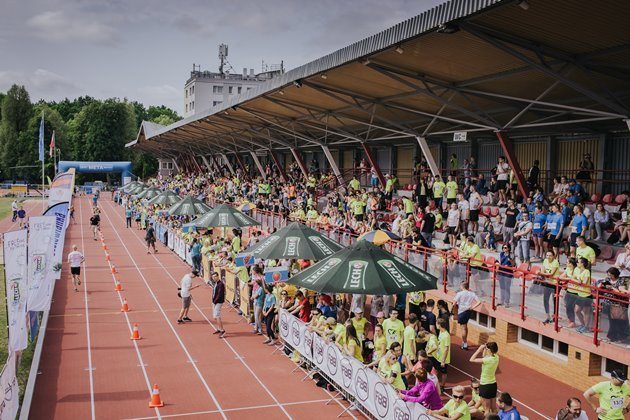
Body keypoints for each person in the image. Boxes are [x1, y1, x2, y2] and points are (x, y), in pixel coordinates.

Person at [470, 342, 500, 414]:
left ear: (489, 350)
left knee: (486, 410)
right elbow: (484, 356)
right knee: (494, 409)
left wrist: (479, 349)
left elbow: (471, 359)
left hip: (485, 385)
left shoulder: (487, 360)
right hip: (493, 385)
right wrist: (485, 349)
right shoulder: (496, 357)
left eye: (486, 349)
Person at [453, 282, 481, 350]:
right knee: (465, 327)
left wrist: (454, 312)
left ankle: (465, 344)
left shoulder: (459, 293)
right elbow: (479, 302)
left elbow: (454, 303)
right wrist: (472, 307)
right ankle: (464, 341)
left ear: (462, 286)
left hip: (461, 312)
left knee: (463, 328)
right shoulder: (472, 293)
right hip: (468, 311)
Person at [541, 251, 560, 324]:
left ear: (553, 256)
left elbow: (551, 274)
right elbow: (543, 271)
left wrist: (542, 273)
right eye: (547, 255)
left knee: (555, 301)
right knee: (545, 299)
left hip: (555, 284)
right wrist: (544, 274)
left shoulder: (555, 262)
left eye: (550, 255)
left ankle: (555, 317)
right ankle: (548, 317)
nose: (548, 257)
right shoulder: (545, 260)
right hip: (548, 282)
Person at [211, 270, 226, 337]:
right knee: (215, 316)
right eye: (213, 277)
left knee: (217, 316)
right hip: (215, 302)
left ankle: (222, 331)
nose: (214, 278)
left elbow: (219, 295)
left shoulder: (220, 284)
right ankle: (219, 329)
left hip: (218, 302)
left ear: (218, 276)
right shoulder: (216, 283)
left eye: (215, 277)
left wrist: (214, 302)